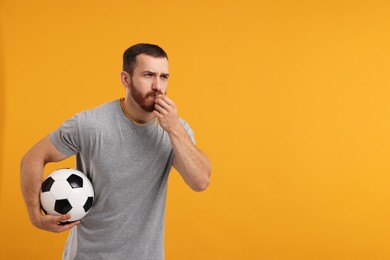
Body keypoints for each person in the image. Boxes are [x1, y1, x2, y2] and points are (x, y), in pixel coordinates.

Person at [20, 43, 211, 260]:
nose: (158, 86)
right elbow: (33, 158)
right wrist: (35, 216)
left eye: (164, 76)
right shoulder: (91, 124)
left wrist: (174, 128)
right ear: (125, 79)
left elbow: (200, 181)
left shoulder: (175, 130)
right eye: (148, 75)